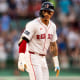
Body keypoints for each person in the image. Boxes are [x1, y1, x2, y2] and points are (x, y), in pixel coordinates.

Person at [18, 1, 60, 80]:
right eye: (45, 11)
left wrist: (56, 62)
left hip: (43, 58)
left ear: (52, 13)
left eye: (49, 11)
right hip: (32, 55)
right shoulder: (33, 24)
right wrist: (21, 59)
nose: (46, 13)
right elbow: (23, 41)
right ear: (41, 11)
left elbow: (53, 45)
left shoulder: (53, 26)